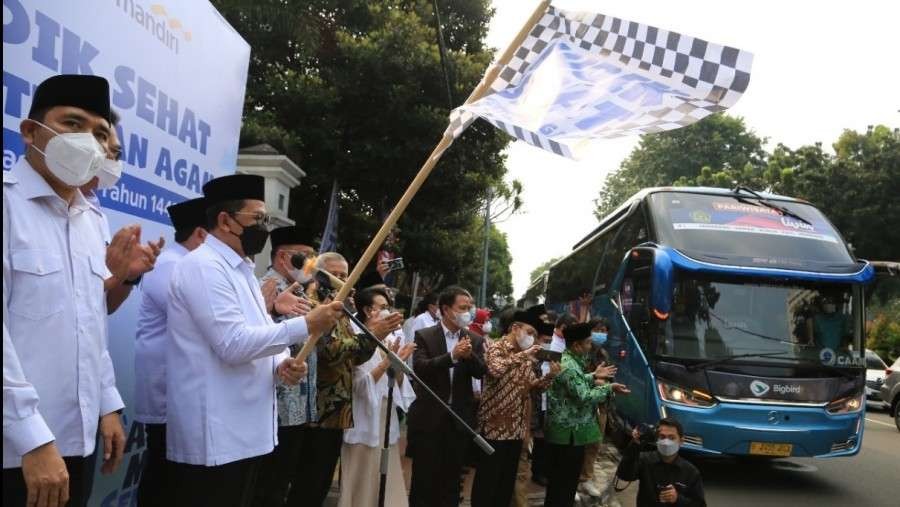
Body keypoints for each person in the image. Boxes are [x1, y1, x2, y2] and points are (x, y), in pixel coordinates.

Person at [165, 173, 344, 506]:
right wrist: (306, 324)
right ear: (224, 220)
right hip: (216, 433)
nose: (263, 227)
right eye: (257, 218)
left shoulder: (242, 270)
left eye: (265, 219)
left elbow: (258, 331)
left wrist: (281, 365)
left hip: (247, 430)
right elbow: (232, 344)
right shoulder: (203, 267)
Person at [4, 74, 127, 507]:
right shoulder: (6, 206)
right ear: (30, 131)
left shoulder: (91, 221)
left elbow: (89, 323)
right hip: (17, 449)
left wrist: (107, 405)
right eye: (72, 123)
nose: (87, 142)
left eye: (99, 133)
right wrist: (31, 439)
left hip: (75, 443)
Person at [302, 252, 405, 507]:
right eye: (334, 276)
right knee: (307, 481)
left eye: (344, 277)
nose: (340, 282)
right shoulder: (312, 305)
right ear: (318, 275)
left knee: (321, 482)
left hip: (338, 411)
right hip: (316, 409)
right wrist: (373, 335)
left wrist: (387, 353)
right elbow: (331, 351)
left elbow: (354, 357)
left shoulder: (343, 312)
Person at [133, 197, 208, 506]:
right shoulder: (170, 265)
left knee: (178, 476)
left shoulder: (187, 264)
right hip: (165, 387)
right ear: (202, 234)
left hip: (183, 389)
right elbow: (198, 319)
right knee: (163, 473)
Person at [252, 226, 326, 507]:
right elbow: (258, 339)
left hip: (296, 407)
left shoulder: (303, 292)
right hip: (275, 406)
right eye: (305, 257)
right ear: (283, 257)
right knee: (266, 485)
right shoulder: (265, 289)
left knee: (281, 483)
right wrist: (271, 310)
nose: (312, 263)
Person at [470, 308, 560, 507]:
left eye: (535, 335)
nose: (532, 338)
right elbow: (495, 369)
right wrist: (525, 355)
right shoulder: (496, 347)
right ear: (515, 328)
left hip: (516, 430)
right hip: (494, 429)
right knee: (487, 483)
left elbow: (532, 387)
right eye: (530, 333)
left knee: (505, 484)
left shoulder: (526, 356)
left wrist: (550, 376)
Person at [408, 286, 487, 507]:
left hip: (459, 420)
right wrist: (451, 356)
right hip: (429, 418)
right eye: (463, 308)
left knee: (451, 481)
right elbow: (421, 368)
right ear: (446, 309)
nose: (468, 312)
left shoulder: (474, 339)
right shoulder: (424, 335)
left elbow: (481, 371)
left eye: (470, 308)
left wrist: (468, 355)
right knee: (424, 478)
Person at [339, 287, 416, 507]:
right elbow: (358, 386)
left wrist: (398, 365)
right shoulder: (354, 337)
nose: (387, 311)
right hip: (362, 418)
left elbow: (398, 386)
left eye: (387, 307)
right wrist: (385, 363)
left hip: (385, 416)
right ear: (367, 310)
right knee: (362, 481)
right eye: (382, 307)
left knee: (386, 478)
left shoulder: (391, 338)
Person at [544, 323, 629, 507]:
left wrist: (592, 375)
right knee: (563, 483)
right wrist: (609, 388)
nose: (591, 346)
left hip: (569, 433)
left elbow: (576, 383)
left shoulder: (570, 361)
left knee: (563, 481)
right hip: (568, 434)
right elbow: (584, 396)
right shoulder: (570, 366)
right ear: (576, 345)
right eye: (588, 343)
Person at [616, 417, 706, 506]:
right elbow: (624, 475)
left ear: (681, 441)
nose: (666, 442)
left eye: (671, 438)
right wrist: (634, 445)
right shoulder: (645, 460)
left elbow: (700, 504)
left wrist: (677, 499)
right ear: (657, 440)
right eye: (662, 437)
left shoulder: (690, 472)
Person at [531, 313, 576, 486]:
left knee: (550, 437)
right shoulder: (550, 343)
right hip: (544, 395)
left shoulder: (565, 344)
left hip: (557, 398)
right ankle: (539, 472)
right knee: (541, 439)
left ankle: (547, 470)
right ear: (563, 328)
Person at [579, 317, 615, 498]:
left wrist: (606, 384)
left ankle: (586, 478)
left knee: (595, 444)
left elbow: (609, 377)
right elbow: (578, 377)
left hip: (601, 405)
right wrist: (595, 379)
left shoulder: (604, 354)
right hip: (583, 405)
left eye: (604, 330)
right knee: (579, 444)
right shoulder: (581, 351)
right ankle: (573, 481)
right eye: (598, 329)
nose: (601, 333)